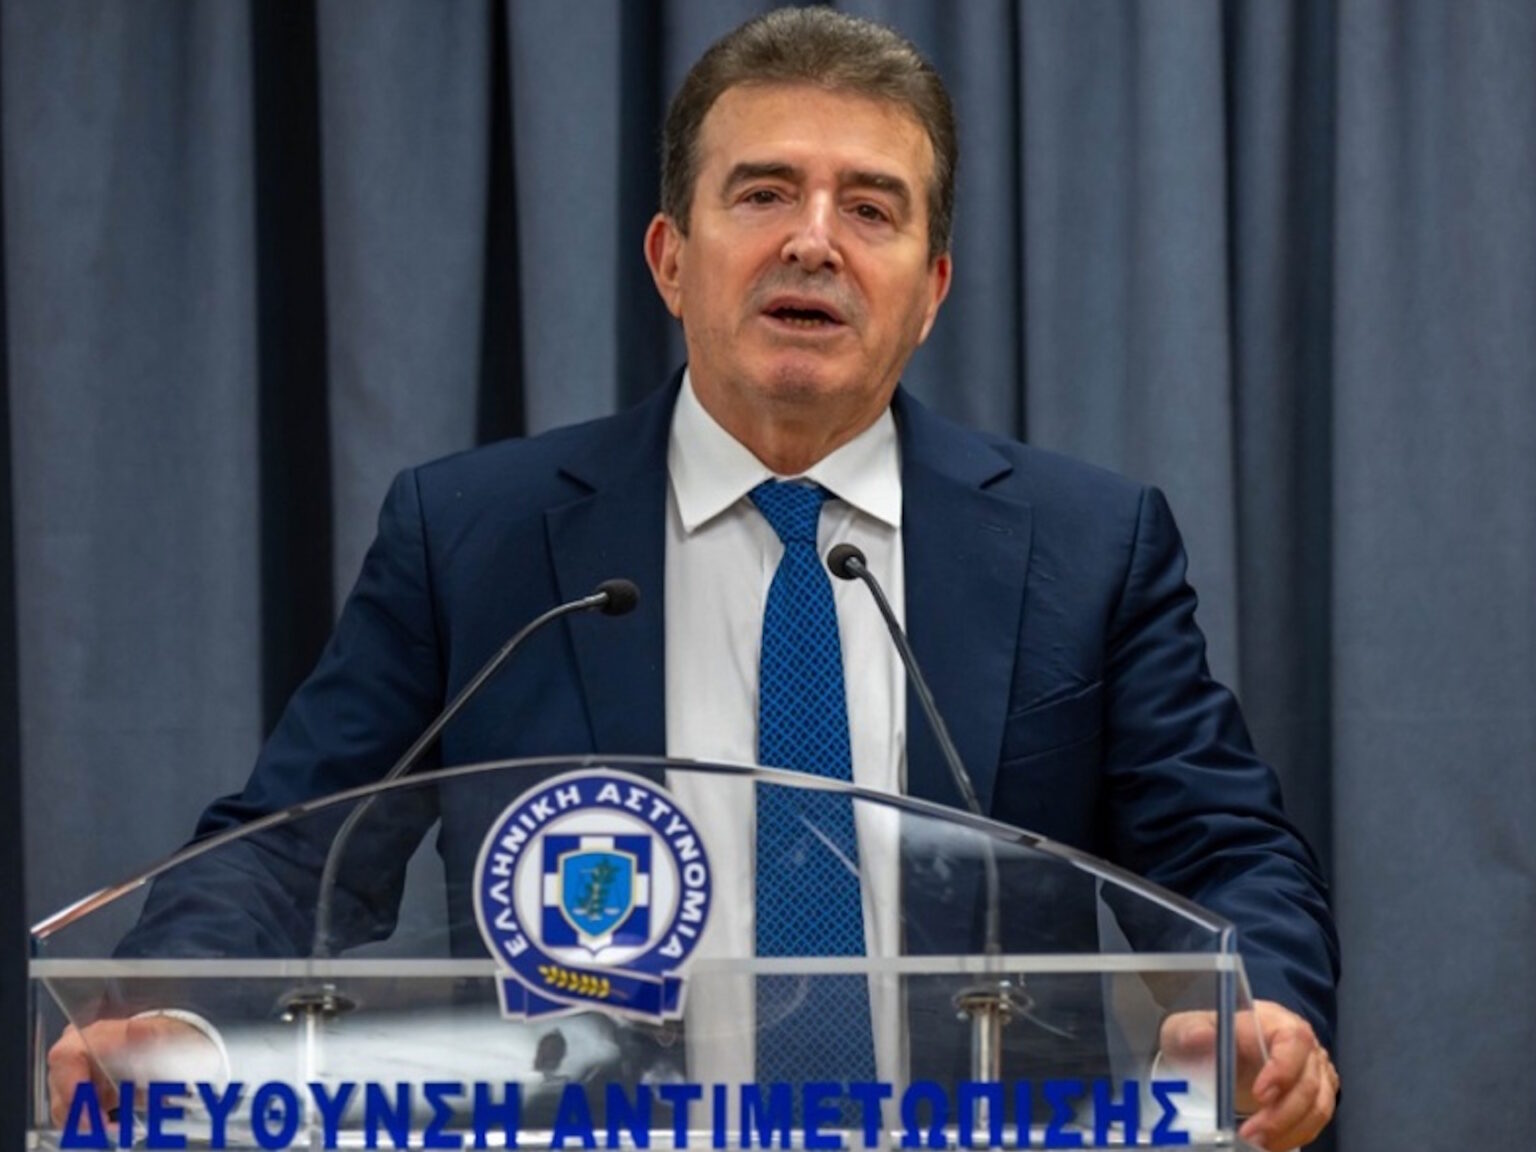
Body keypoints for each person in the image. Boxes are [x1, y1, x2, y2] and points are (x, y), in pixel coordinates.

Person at [50, 8, 1340, 1148]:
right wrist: (177, 1012)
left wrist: (1263, 1011)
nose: (814, 243)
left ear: (932, 289)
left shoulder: (1086, 546)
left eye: (871, 208)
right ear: (671, 258)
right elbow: (292, 850)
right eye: (764, 193)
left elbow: (1224, 851)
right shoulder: (477, 538)